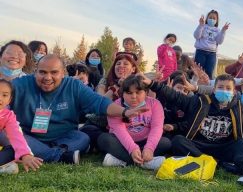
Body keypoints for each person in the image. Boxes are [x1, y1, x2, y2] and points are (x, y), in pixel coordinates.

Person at [146, 73, 243, 189]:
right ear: (214, 89)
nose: (224, 91)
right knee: (178, 141)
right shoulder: (199, 102)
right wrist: (152, 83)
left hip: (224, 147)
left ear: (233, 91)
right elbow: (175, 96)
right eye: (220, 87)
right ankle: (217, 163)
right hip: (199, 145)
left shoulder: (240, 108)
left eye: (228, 88)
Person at [10, 55, 147, 164]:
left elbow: (98, 102)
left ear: (63, 73)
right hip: (31, 137)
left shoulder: (73, 86)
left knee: (82, 138)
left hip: (64, 138)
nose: (47, 77)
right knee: (13, 137)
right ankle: (61, 156)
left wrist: (125, 112)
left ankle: (45, 152)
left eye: (54, 72)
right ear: (36, 72)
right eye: (42, 72)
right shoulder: (21, 84)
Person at [98, 75, 171, 170]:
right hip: (122, 143)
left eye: (138, 92)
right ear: (122, 93)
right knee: (104, 139)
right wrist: (132, 149)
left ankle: (121, 161)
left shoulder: (155, 104)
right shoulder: (116, 105)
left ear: (146, 92)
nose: (133, 96)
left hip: (145, 141)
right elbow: (119, 130)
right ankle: (145, 163)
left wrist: (149, 148)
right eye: (129, 93)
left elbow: (157, 128)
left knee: (166, 143)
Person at [0, 79, 43, 174]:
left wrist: (25, 155)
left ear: (9, 100)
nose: (0, 98)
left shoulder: (8, 116)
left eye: (4, 95)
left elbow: (16, 135)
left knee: (13, 150)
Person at [193, 10, 230, 79]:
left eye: (214, 18)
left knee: (209, 72)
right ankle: (195, 86)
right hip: (201, 51)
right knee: (198, 71)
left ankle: (207, 87)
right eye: (210, 17)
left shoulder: (218, 30)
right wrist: (200, 25)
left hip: (212, 54)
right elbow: (196, 36)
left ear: (216, 21)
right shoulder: (203, 26)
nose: (212, 19)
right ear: (207, 18)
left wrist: (223, 31)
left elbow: (219, 41)